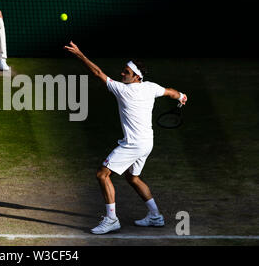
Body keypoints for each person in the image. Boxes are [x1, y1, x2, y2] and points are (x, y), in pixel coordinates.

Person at [64, 41, 188, 235]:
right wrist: (181, 96)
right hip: (147, 143)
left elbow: (97, 73)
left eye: (126, 72)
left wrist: (80, 54)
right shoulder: (151, 87)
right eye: (123, 71)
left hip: (133, 145)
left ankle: (112, 220)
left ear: (136, 76)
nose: (122, 74)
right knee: (132, 177)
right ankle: (155, 216)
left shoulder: (123, 91)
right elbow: (170, 92)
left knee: (102, 174)